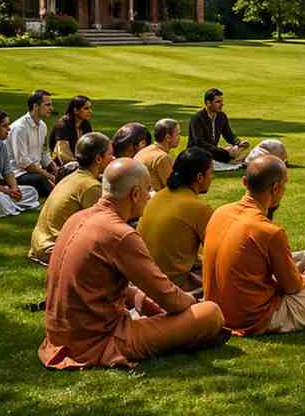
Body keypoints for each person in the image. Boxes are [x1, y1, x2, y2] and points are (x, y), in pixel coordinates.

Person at [38, 158, 227, 369]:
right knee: (210, 313)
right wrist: (192, 306)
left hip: (59, 335)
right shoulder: (120, 234)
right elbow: (170, 299)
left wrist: (152, 305)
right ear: (135, 194)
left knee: (145, 297)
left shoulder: (77, 218)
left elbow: (108, 286)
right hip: (98, 340)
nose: (150, 196)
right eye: (148, 190)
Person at [204, 155, 305, 335]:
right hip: (257, 317)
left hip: (216, 310)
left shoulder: (220, 213)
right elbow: (292, 287)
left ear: (245, 182)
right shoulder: (269, 231)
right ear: (275, 188)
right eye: (284, 185)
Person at [28, 132, 114, 265]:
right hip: (53, 250)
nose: (113, 158)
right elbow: (103, 228)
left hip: (39, 246)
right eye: (110, 154)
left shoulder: (71, 177)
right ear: (98, 159)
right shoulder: (91, 186)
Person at [138, 148, 215, 293]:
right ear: (199, 177)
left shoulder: (159, 196)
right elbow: (217, 254)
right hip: (171, 287)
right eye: (211, 173)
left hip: (144, 279)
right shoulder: (199, 207)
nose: (213, 177)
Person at [8, 89, 59, 199]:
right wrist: (47, 175)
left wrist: (55, 169)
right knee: (41, 180)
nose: (51, 108)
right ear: (36, 106)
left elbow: (44, 153)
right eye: (47, 105)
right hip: (19, 174)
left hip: (37, 171)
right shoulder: (20, 128)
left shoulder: (42, 126)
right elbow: (23, 162)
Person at [188, 87, 251, 165]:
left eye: (222, 101)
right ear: (208, 103)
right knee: (228, 153)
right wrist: (223, 152)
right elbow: (199, 142)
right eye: (218, 102)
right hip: (198, 152)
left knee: (238, 148)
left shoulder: (222, 116)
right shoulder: (197, 118)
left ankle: (233, 156)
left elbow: (228, 135)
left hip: (213, 151)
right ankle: (232, 158)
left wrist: (238, 143)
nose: (222, 104)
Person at [136, 119, 181, 193]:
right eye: (178, 134)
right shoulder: (162, 158)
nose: (179, 137)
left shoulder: (144, 151)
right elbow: (174, 189)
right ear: (168, 138)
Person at [50, 95, 93, 164]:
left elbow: (90, 148)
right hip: (61, 166)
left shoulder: (85, 124)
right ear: (75, 110)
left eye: (90, 108)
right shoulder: (63, 125)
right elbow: (63, 154)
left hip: (79, 163)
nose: (90, 111)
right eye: (86, 108)